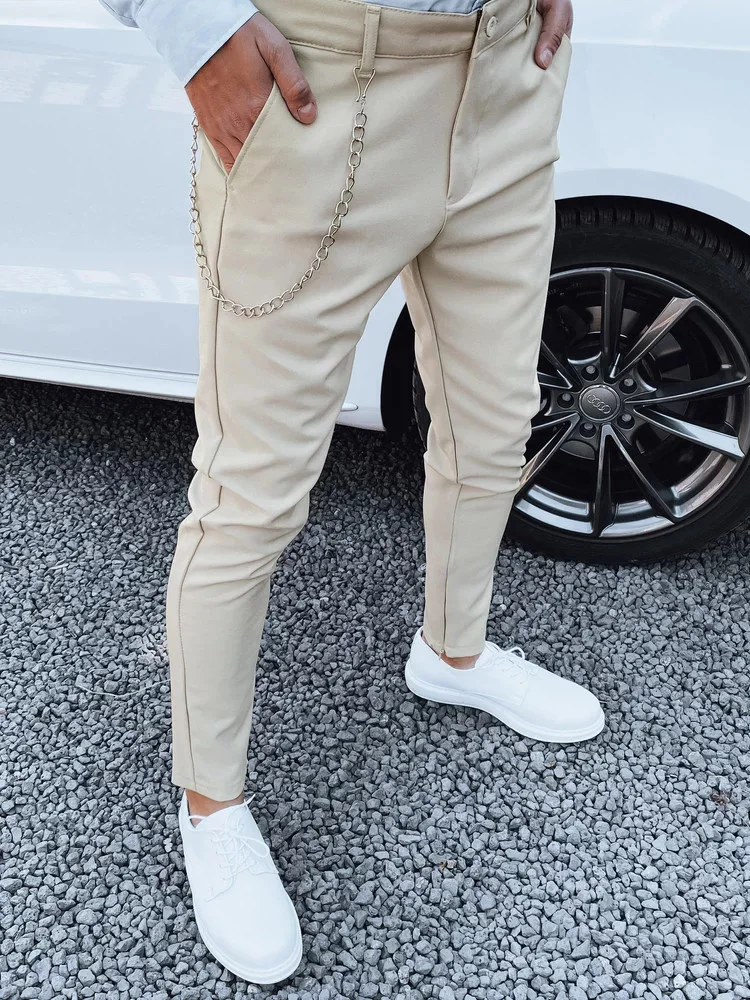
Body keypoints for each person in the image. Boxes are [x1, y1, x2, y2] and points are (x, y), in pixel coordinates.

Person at [100, 0, 603, 984]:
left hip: (505, 75)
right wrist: (190, 25)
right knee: (253, 487)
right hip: (322, 81)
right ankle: (211, 805)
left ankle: (454, 651)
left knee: (497, 415)